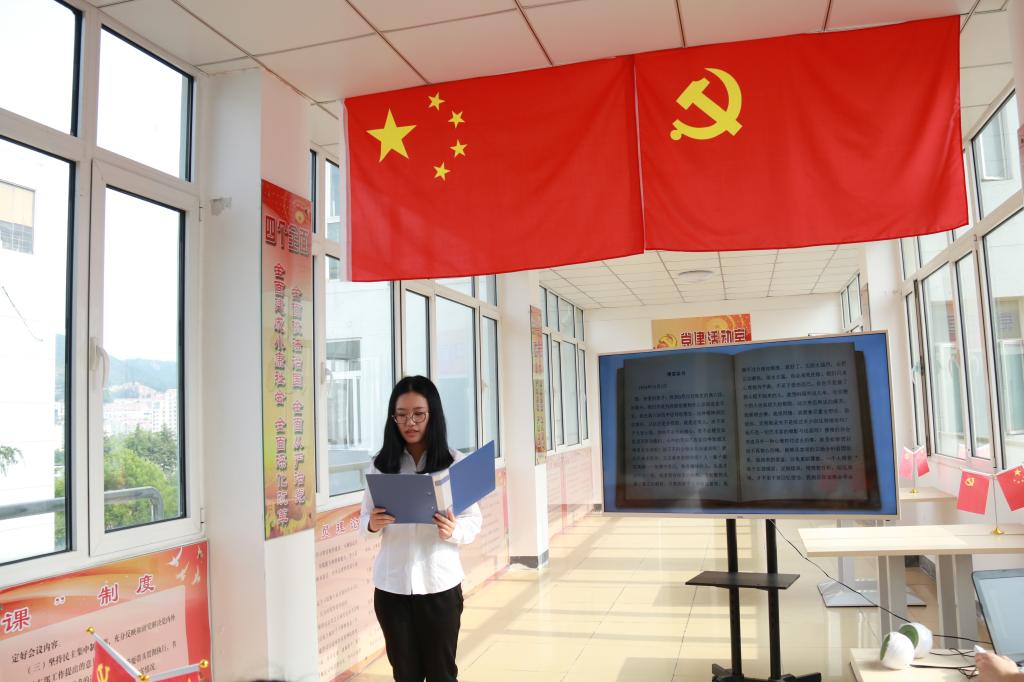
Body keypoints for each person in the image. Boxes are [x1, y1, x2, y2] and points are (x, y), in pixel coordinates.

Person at [359, 375, 483, 682]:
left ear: (433, 415)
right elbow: (363, 521)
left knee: (442, 674)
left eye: (418, 414)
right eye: (401, 415)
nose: (409, 422)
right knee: (405, 675)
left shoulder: (455, 463)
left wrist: (453, 530)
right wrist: (372, 524)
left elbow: (473, 521)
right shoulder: (381, 465)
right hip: (392, 588)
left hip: (439, 585)